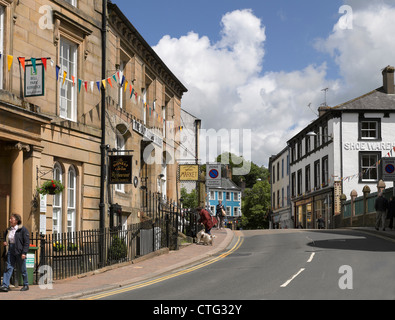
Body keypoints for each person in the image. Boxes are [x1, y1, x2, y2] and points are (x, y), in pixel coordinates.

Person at [0, 213, 30, 292]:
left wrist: (24, 253)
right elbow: (6, 237)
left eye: (11, 219)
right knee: (9, 267)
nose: (10, 220)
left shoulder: (23, 229)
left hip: (20, 251)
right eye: (10, 219)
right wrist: (5, 242)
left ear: (16, 220)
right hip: (11, 250)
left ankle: (26, 284)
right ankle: (5, 285)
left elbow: (26, 242)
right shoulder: (8, 229)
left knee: (22, 269)